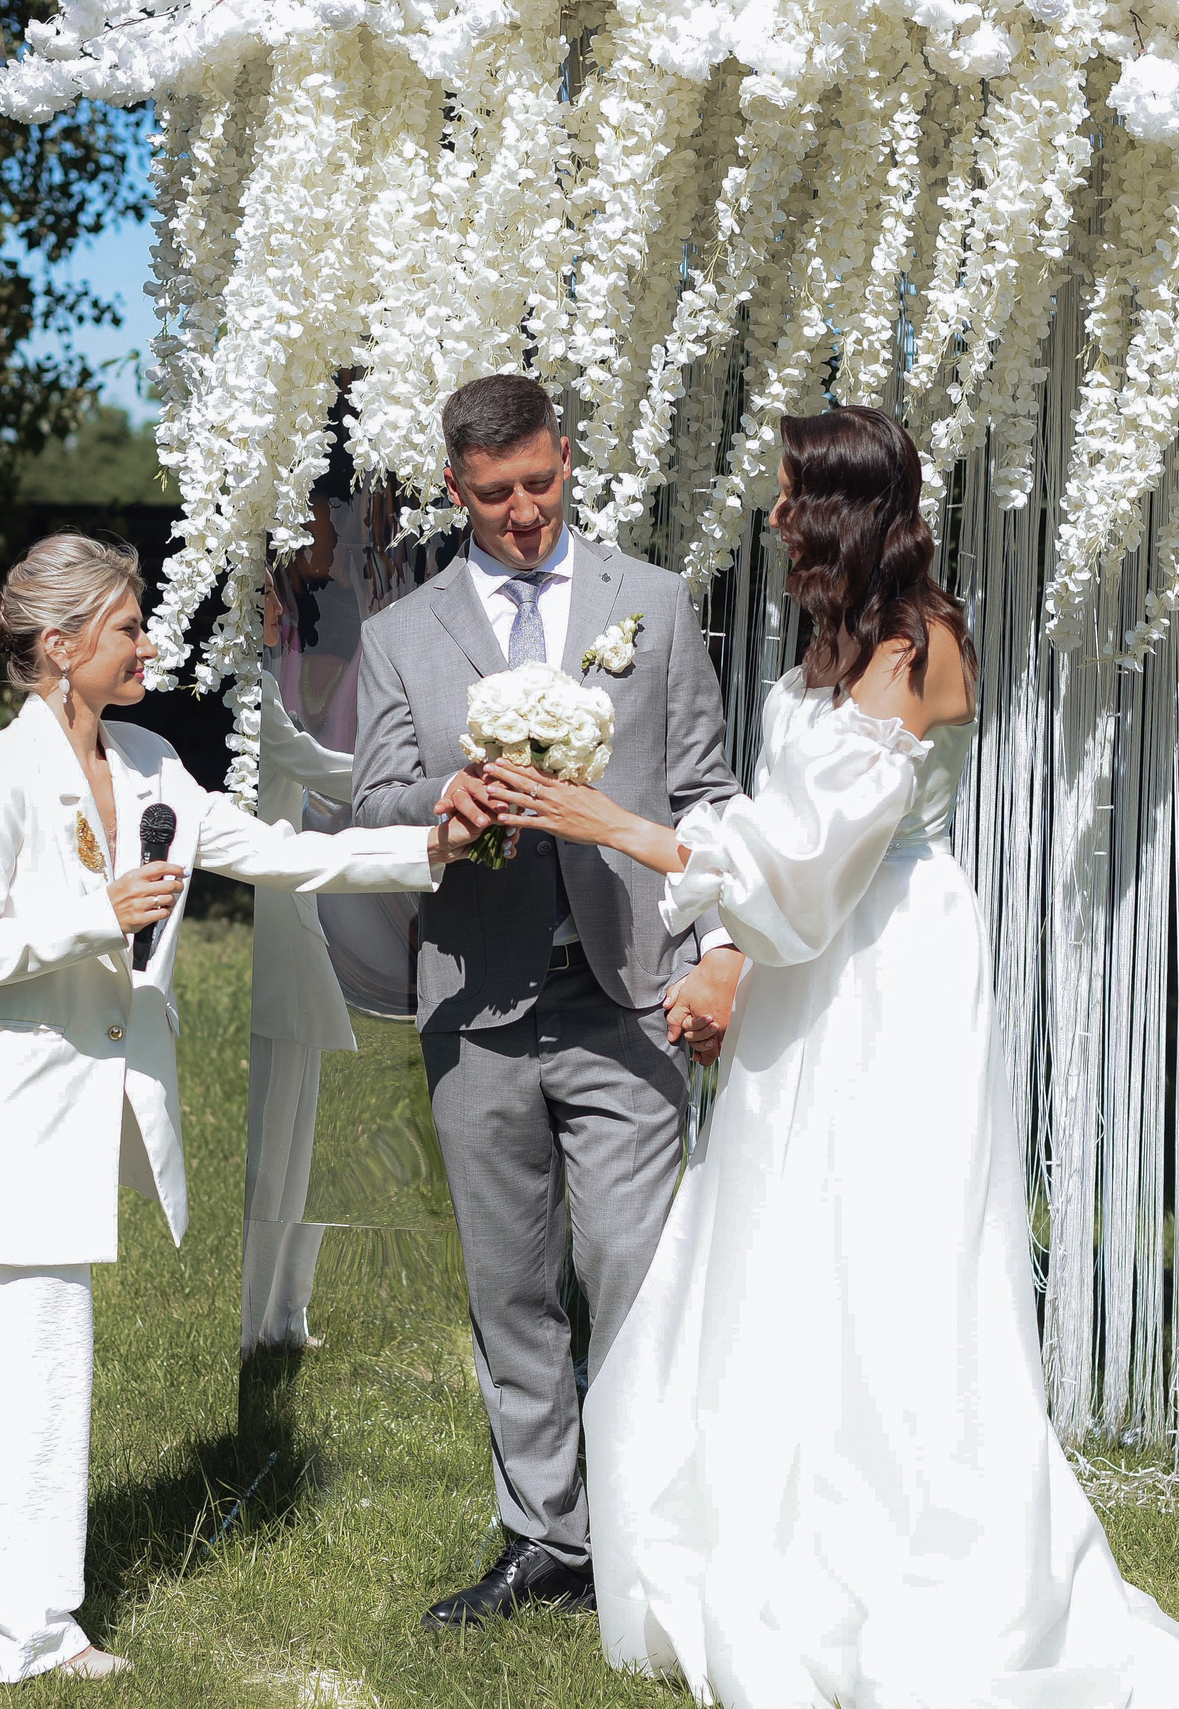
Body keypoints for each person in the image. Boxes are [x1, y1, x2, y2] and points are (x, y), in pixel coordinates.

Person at [487, 407, 1179, 1708]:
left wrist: (621, 827)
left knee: (888, 1250)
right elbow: (793, 853)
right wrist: (739, 963)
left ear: (834, 510)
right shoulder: (837, 639)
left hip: (889, 976)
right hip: (816, 967)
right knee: (785, 1235)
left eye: (785, 495)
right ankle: (780, 1523)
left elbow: (811, 862)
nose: (769, 516)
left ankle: (904, 1549)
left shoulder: (919, 645)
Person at [0, 533, 480, 1683]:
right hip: (1, 1112)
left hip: (72, 1109)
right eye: (127, 627)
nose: (149, 643)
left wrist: (432, 843)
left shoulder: (154, 760)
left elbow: (276, 853)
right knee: (30, 1359)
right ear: (61, 646)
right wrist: (94, 915)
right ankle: (26, 1623)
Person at [352, 373, 747, 1630]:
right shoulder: (400, 631)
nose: (523, 514)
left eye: (539, 484)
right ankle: (546, 1540)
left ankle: (643, 1525)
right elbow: (371, 800)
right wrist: (441, 804)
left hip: (627, 987)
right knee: (509, 1281)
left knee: (628, 1262)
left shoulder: (656, 602)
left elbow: (706, 790)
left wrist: (721, 947)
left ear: (566, 459)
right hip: (474, 997)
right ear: (453, 490)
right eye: (493, 496)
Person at [242, 561, 362, 1353]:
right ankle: (259, 1321)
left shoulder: (262, 686)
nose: (279, 607)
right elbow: (320, 770)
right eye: (264, 595)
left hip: (288, 928)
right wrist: (426, 780)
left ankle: (281, 1312)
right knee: (275, 1148)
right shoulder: (249, 692)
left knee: (294, 1143)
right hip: (276, 933)